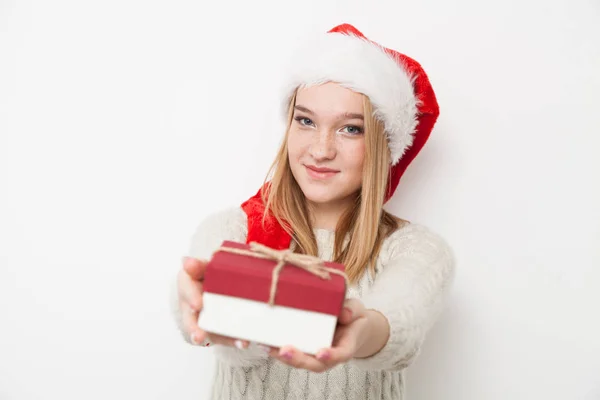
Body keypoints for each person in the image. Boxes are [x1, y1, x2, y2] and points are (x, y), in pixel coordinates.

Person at [172, 23, 455, 400]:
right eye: (305, 121)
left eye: (350, 129)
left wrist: (357, 332)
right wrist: (207, 312)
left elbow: (398, 320)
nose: (320, 150)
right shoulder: (233, 230)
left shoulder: (416, 250)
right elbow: (207, 326)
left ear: (383, 145)